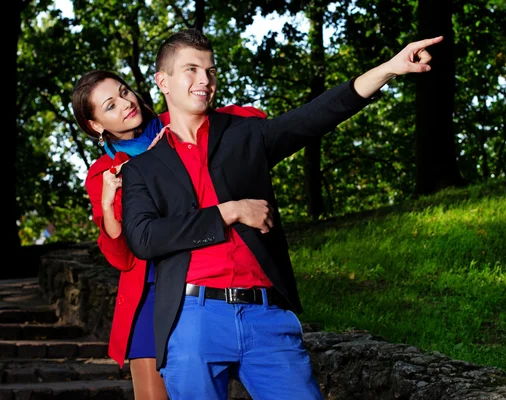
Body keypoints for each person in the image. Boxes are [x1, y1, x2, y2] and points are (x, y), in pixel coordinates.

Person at [120, 28, 443, 400]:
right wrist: (230, 212)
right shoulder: (143, 168)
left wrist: (388, 69)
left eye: (210, 71)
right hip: (192, 318)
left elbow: (315, 117)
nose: (204, 80)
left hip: (265, 316)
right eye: (191, 70)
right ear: (163, 81)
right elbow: (144, 239)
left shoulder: (245, 134)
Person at [71, 69, 266, 399]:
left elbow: (253, 119)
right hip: (152, 290)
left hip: (211, 276)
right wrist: (108, 204)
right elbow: (121, 258)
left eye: (124, 91)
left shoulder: (176, 122)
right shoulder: (103, 173)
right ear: (96, 126)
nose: (125, 103)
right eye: (110, 105)